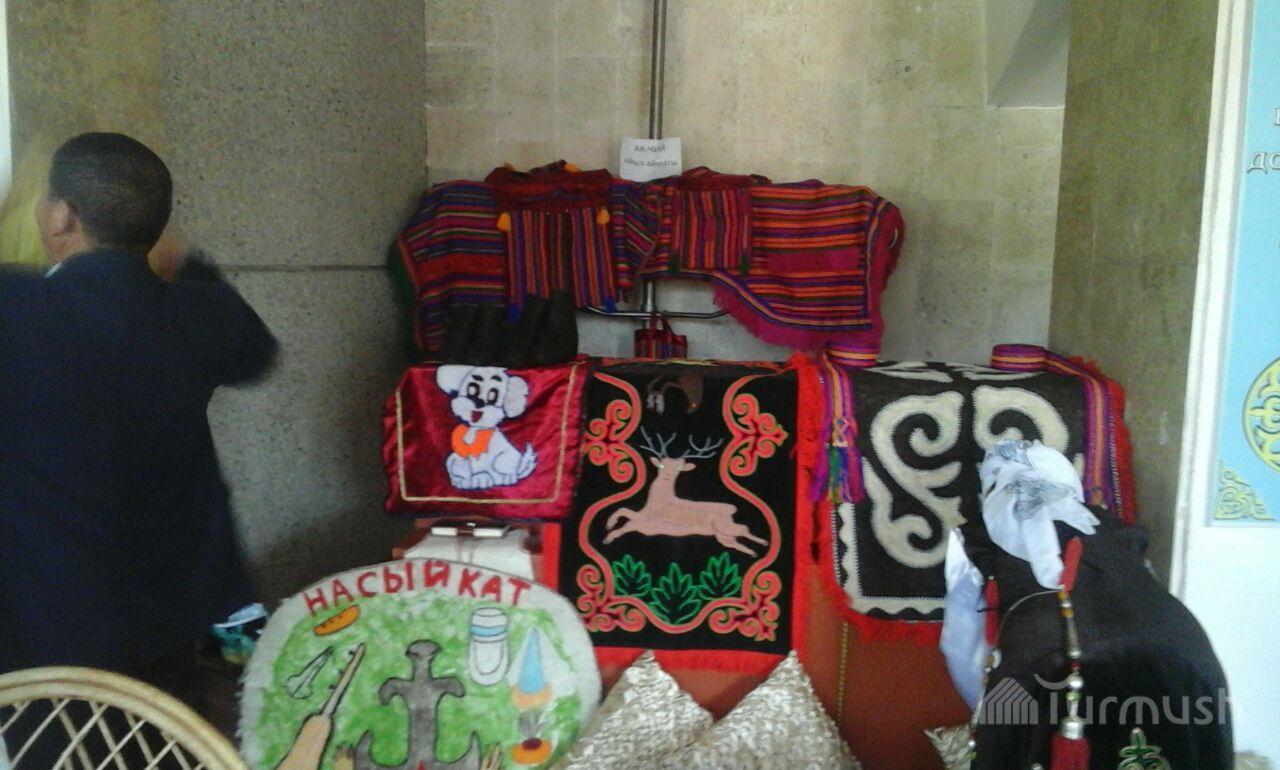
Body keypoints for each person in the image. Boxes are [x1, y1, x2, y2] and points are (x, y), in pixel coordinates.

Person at [0, 133, 277, 704]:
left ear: (63, 216)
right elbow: (257, 354)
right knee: (175, 739)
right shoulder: (203, 314)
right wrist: (185, 260)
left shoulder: (16, 309)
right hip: (180, 620)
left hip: (44, 632)